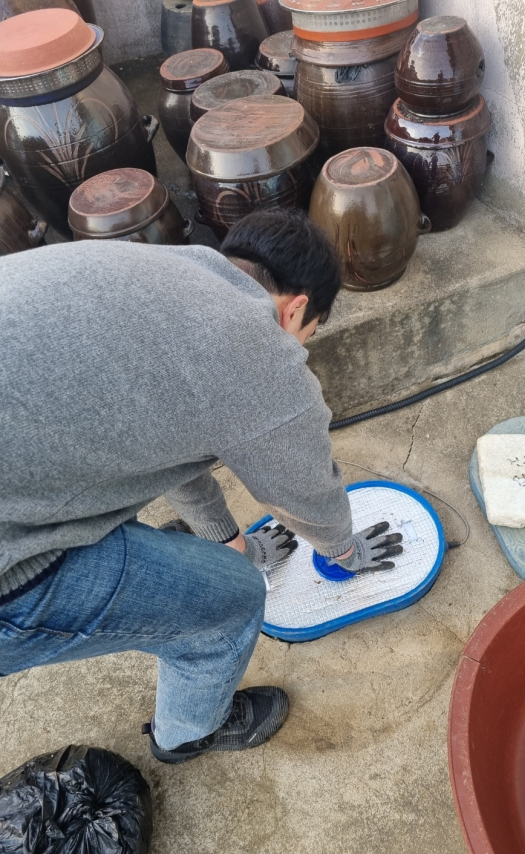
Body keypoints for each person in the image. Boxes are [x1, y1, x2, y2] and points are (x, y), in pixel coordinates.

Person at [0, 209, 402, 765]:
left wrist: (226, 537)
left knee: (215, 558)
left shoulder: (168, 269)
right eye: (309, 335)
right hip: (9, 561)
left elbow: (170, 432)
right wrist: (343, 550)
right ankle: (188, 732)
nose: (301, 346)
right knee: (231, 598)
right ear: (297, 308)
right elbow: (304, 493)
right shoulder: (259, 349)